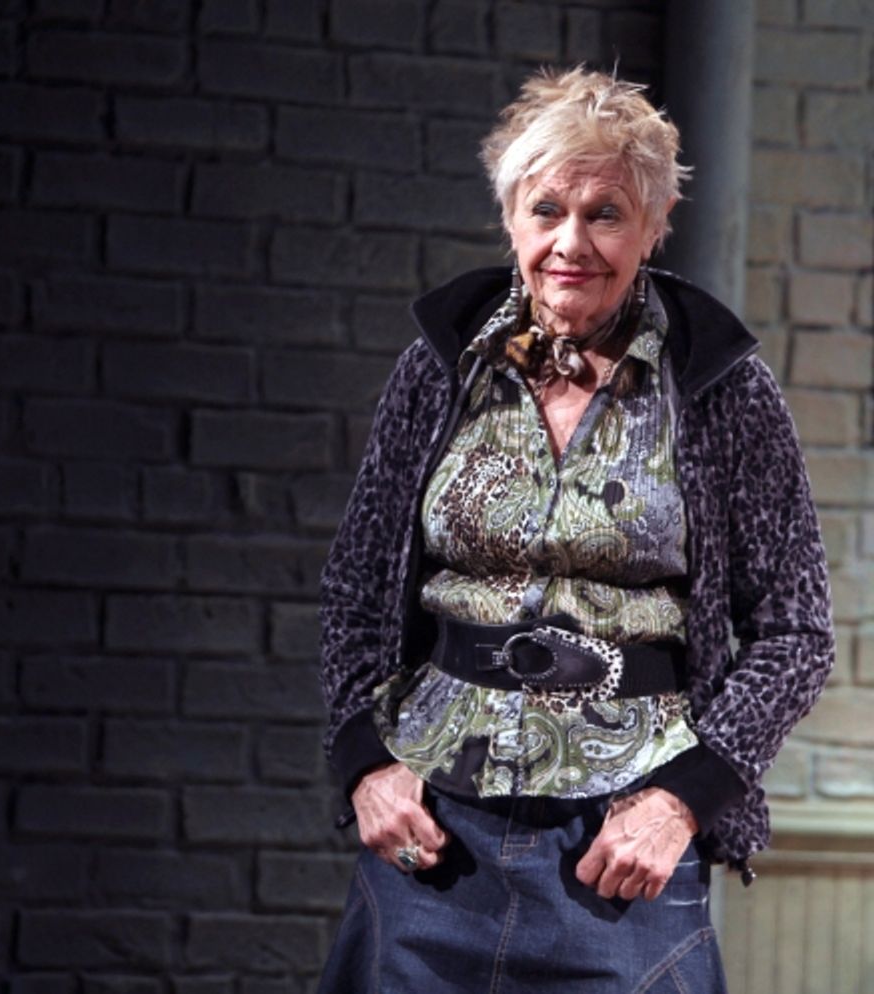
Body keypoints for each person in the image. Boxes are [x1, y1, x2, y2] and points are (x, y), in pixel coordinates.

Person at [316, 67, 833, 993]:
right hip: (433, 834)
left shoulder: (717, 386)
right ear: (510, 216)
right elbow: (356, 586)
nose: (571, 242)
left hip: (625, 841)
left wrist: (684, 800)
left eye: (606, 214)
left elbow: (795, 631)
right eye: (546, 209)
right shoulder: (442, 370)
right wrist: (365, 765)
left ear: (655, 225)